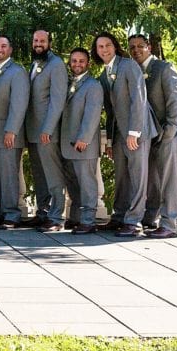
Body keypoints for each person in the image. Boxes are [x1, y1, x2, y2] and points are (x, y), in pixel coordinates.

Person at [92, 32, 157, 237]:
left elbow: (139, 99)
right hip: (119, 134)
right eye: (100, 47)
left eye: (108, 45)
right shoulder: (103, 75)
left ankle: (134, 221)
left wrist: (134, 132)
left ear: (115, 46)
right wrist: (111, 140)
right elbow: (110, 111)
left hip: (136, 131)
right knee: (122, 176)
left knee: (138, 177)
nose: (104, 49)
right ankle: (119, 216)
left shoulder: (129, 66)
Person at [128, 33, 177, 239]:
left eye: (140, 46)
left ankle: (169, 223)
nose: (136, 50)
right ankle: (150, 218)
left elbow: (176, 101)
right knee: (151, 179)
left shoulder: (164, 68)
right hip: (145, 136)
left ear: (149, 47)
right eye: (132, 47)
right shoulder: (133, 70)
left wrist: (170, 129)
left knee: (167, 179)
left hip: (166, 133)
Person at [0, 35, 30, 229]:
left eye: (3, 46)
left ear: (10, 50)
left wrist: (12, 130)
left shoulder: (17, 72)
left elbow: (19, 104)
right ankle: (0, 211)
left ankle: (12, 214)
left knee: (9, 176)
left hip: (8, 134)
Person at [23, 30, 69, 232]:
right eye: (35, 40)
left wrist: (48, 129)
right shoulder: (35, 63)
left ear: (50, 42)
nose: (38, 44)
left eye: (42, 41)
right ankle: (43, 212)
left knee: (52, 175)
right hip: (32, 130)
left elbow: (57, 101)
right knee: (39, 175)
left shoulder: (56, 64)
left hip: (46, 131)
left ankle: (57, 216)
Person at [60, 48, 104, 235]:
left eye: (81, 61)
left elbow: (92, 114)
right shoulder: (70, 82)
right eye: (74, 61)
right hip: (67, 144)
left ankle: (88, 220)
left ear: (88, 64)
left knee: (87, 184)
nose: (77, 64)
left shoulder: (93, 85)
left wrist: (84, 138)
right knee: (73, 184)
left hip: (83, 145)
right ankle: (76, 218)